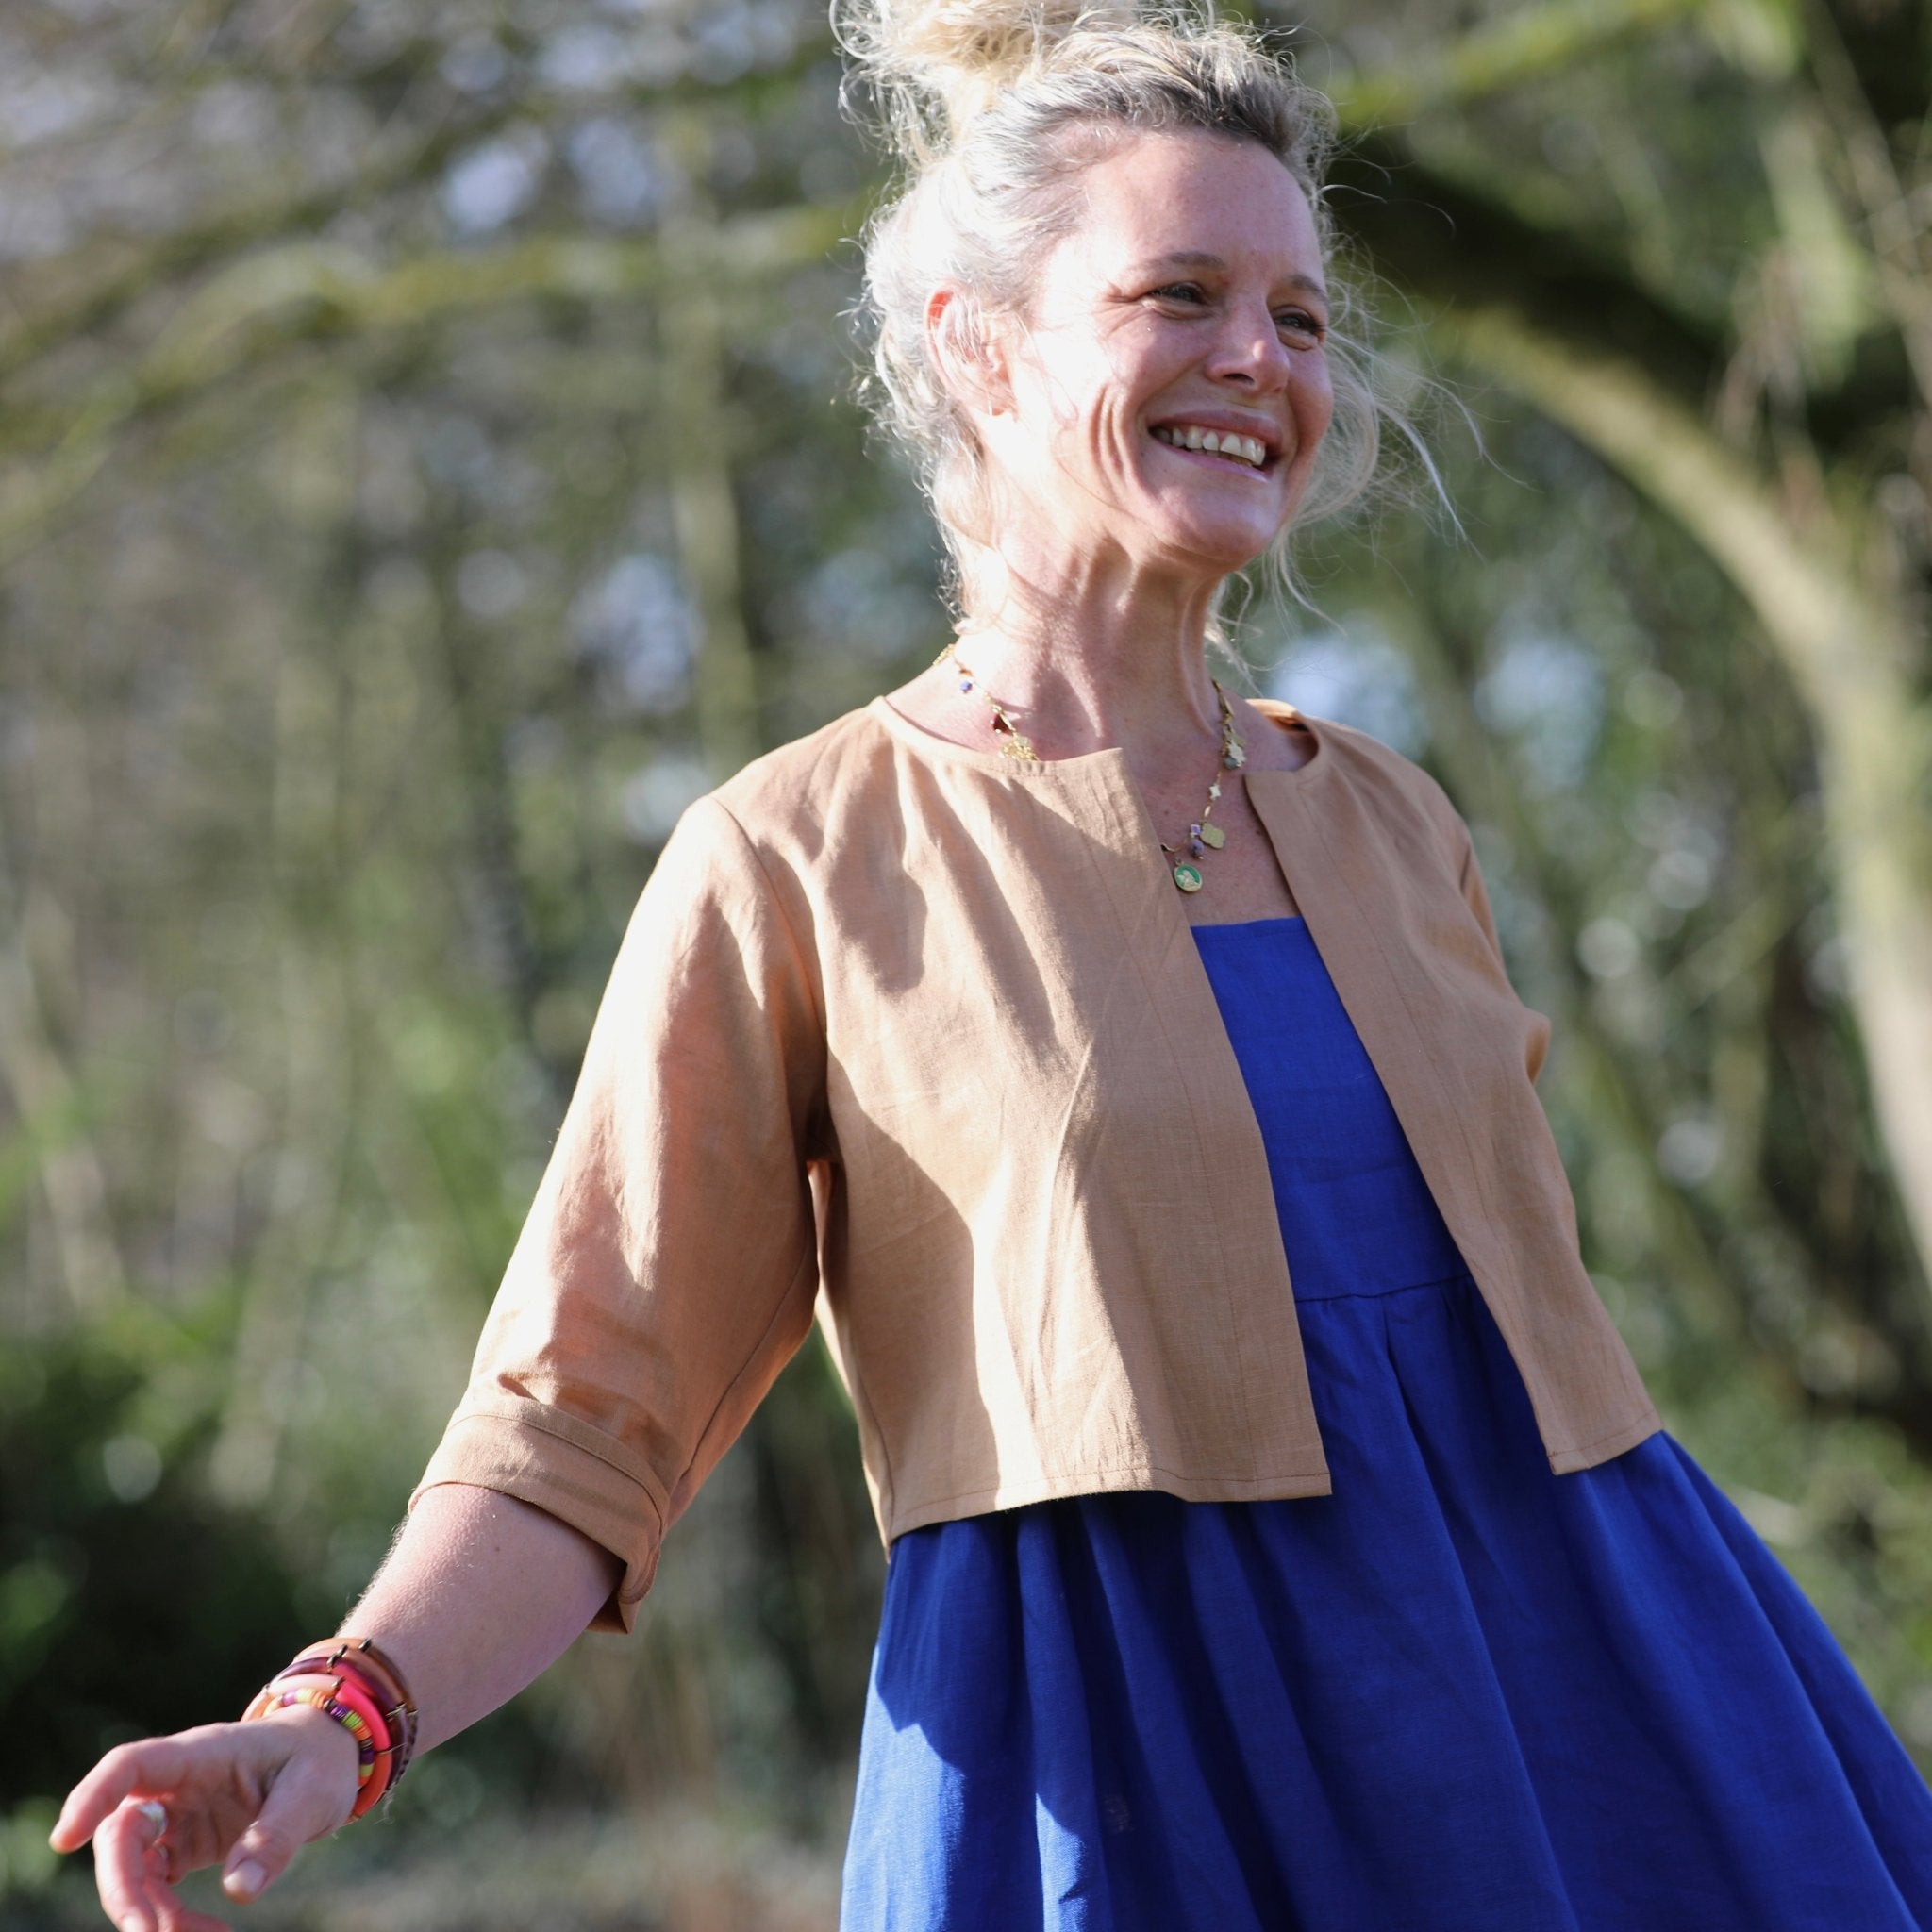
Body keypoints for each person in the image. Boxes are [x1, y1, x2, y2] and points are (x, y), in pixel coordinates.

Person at [51, 4, 1932, 1927]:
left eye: (1298, 315)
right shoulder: (795, 857)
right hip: (1136, 1775)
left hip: (1596, 1737)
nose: (1259, 357)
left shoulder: (1398, 822)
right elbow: (582, 1419)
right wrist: (341, 1711)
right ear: (979, 342)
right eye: (1181, 293)